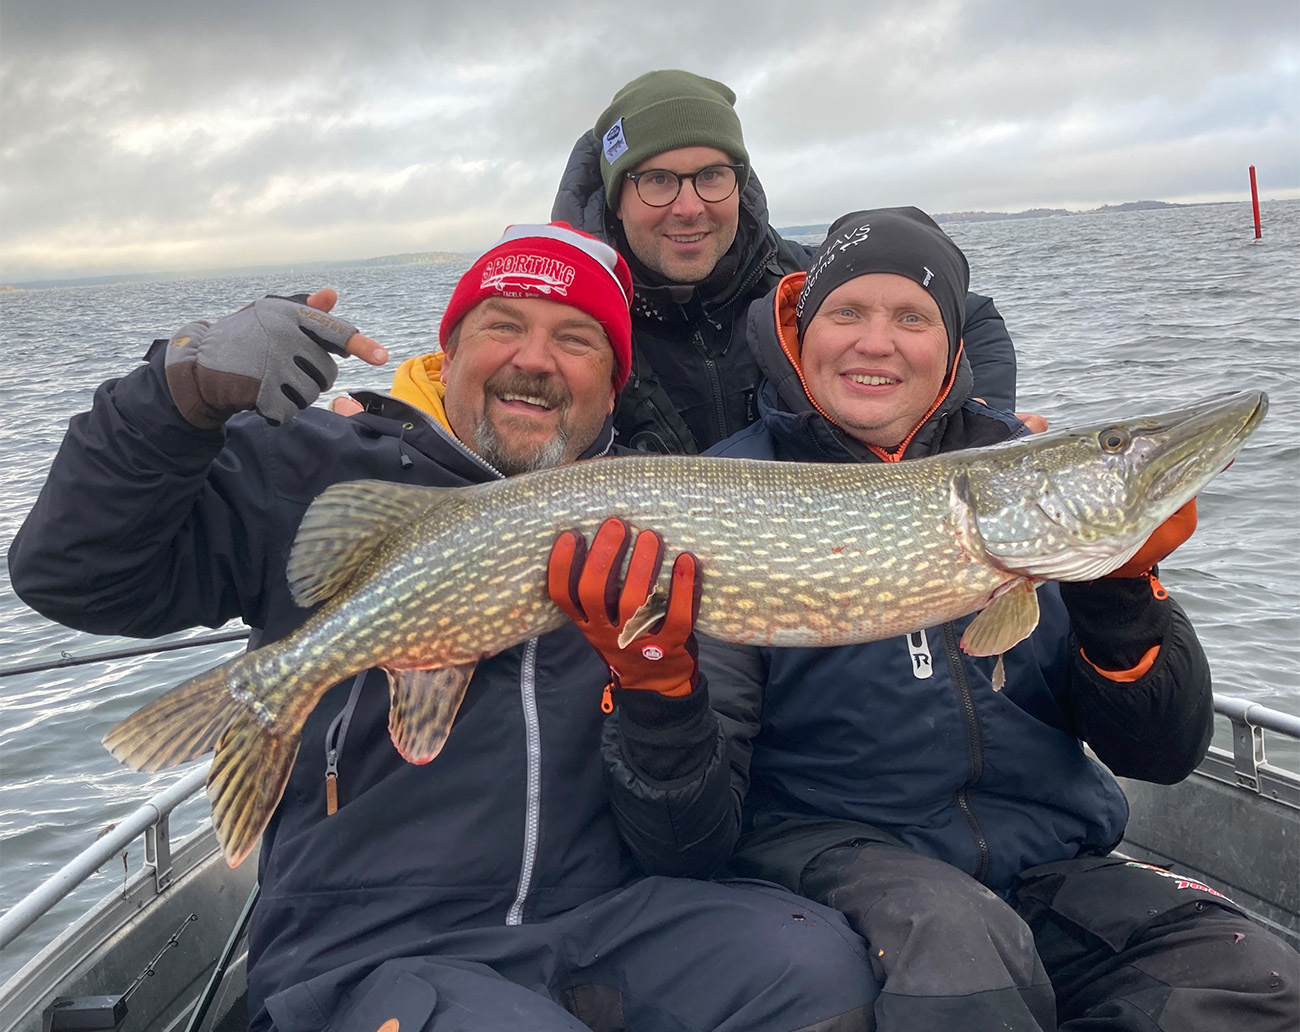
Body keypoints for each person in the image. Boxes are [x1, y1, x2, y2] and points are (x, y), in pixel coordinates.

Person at [7, 223, 877, 1032]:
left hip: (598, 925)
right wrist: (177, 395)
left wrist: (660, 694)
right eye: (503, 325)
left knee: (814, 969)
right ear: (448, 349)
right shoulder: (319, 467)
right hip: (369, 949)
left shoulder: (662, 522)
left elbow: (690, 848)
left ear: (614, 382)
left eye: (576, 339)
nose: (534, 359)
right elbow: (74, 573)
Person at [546, 208, 1299, 1029]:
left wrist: (1120, 592)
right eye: (847, 312)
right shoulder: (725, 494)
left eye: (912, 317)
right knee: (958, 961)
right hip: (829, 871)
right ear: (803, 331)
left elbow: (1161, 755)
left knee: (1254, 980)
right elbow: (684, 846)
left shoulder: (1019, 479)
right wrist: (657, 688)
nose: (876, 342)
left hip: (1047, 866)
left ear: (951, 345)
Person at [551, 69, 1019, 454]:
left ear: (738, 183)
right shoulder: (564, 315)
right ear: (617, 198)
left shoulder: (800, 277)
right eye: (658, 180)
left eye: (711, 176)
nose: (689, 207)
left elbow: (970, 317)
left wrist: (971, 429)